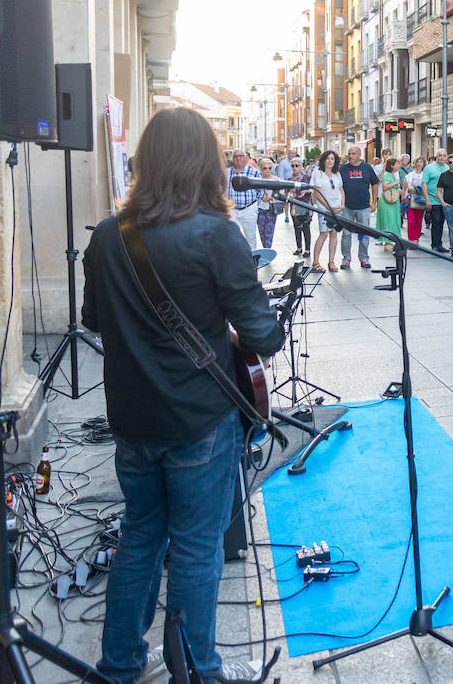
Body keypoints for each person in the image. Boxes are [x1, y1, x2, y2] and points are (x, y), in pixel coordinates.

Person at [84, 108, 283, 684]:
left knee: (141, 535)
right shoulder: (215, 234)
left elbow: (96, 320)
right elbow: (264, 337)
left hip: (132, 420)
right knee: (196, 547)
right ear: (205, 165)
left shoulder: (106, 234)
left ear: (145, 163)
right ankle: (198, 673)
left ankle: (120, 663)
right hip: (198, 420)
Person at [339, 144, 379, 270]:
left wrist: (374, 203)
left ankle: (364, 258)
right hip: (346, 207)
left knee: (364, 233)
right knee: (346, 234)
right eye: (349, 154)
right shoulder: (342, 169)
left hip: (364, 206)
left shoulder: (367, 168)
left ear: (359, 155)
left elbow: (375, 184)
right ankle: (346, 259)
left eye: (353, 154)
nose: (350, 156)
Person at [309, 149, 343, 272]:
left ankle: (331, 262)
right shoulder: (318, 173)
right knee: (323, 234)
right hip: (324, 208)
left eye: (332, 159)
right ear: (323, 160)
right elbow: (317, 192)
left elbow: (341, 190)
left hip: (337, 207)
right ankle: (316, 262)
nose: (330, 161)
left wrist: (342, 204)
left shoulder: (337, 174)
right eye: (328, 158)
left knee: (334, 233)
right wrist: (327, 207)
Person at [226, 148, 261, 250]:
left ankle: (252, 261)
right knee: (232, 237)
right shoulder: (227, 173)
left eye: (241, 156)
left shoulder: (253, 172)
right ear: (232, 159)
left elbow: (260, 189)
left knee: (250, 237)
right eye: (235, 157)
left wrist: (255, 205)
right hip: (232, 210)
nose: (238, 159)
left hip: (249, 208)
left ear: (246, 158)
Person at [423, 148, 449, 253]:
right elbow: (424, 183)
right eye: (440, 155)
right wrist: (427, 199)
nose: (442, 157)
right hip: (433, 200)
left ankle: (439, 244)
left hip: (445, 200)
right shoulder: (429, 168)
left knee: (441, 223)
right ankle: (435, 245)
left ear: (446, 157)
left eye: (444, 155)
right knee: (436, 222)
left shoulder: (448, 168)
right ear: (436, 156)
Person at [376, 155, 403, 247]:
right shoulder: (387, 174)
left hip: (394, 201)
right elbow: (385, 187)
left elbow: (397, 189)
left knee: (394, 220)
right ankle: (387, 242)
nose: (399, 166)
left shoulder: (394, 175)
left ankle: (393, 239)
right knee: (388, 220)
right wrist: (396, 182)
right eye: (397, 164)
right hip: (386, 201)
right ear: (392, 166)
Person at [289, 157, 312, 257]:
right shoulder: (290, 179)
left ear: (301, 166)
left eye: (296, 165)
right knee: (296, 227)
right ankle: (299, 247)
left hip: (306, 205)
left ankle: (307, 249)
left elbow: (313, 189)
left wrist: (306, 191)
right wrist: (289, 192)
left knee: (306, 228)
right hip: (294, 206)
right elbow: (287, 190)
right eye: (292, 166)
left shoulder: (307, 178)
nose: (294, 168)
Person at [255, 157, 278, 249]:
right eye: (265, 168)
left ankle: (267, 250)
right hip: (259, 209)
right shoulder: (257, 180)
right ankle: (265, 249)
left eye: (269, 168)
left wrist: (270, 197)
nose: (267, 170)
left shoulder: (276, 180)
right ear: (260, 168)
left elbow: (280, 195)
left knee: (269, 231)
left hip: (271, 209)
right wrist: (260, 197)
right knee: (261, 231)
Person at [405, 157, 427, 243]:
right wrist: (419, 189)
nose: (419, 164)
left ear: (423, 164)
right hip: (411, 200)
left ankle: (416, 239)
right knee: (411, 221)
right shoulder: (410, 174)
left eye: (421, 162)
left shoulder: (425, 175)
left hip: (421, 200)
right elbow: (409, 187)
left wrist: (416, 189)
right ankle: (411, 240)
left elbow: (426, 187)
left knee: (418, 220)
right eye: (417, 162)